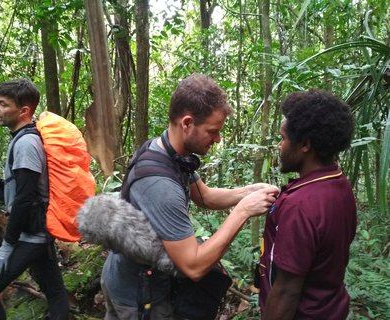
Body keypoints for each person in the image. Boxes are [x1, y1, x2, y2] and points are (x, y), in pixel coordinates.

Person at [101, 73, 280, 319]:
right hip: (138, 298)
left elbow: (205, 196)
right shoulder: (159, 185)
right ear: (187, 123)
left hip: (125, 276)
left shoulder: (168, 153)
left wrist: (249, 192)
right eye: (213, 131)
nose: (217, 139)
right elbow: (193, 266)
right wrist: (243, 211)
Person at [0, 79, 69, 320]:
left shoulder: (26, 142)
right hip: (38, 231)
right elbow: (20, 192)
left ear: (24, 111)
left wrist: (7, 245)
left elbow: (25, 198)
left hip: (30, 236)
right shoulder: (24, 138)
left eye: (2, 104)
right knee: (54, 291)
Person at [258, 89, 357, 319]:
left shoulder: (300, 206)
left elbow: (286, 293)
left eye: (283, 138)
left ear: (304, 144)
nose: (279, 146)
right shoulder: (338, 183)